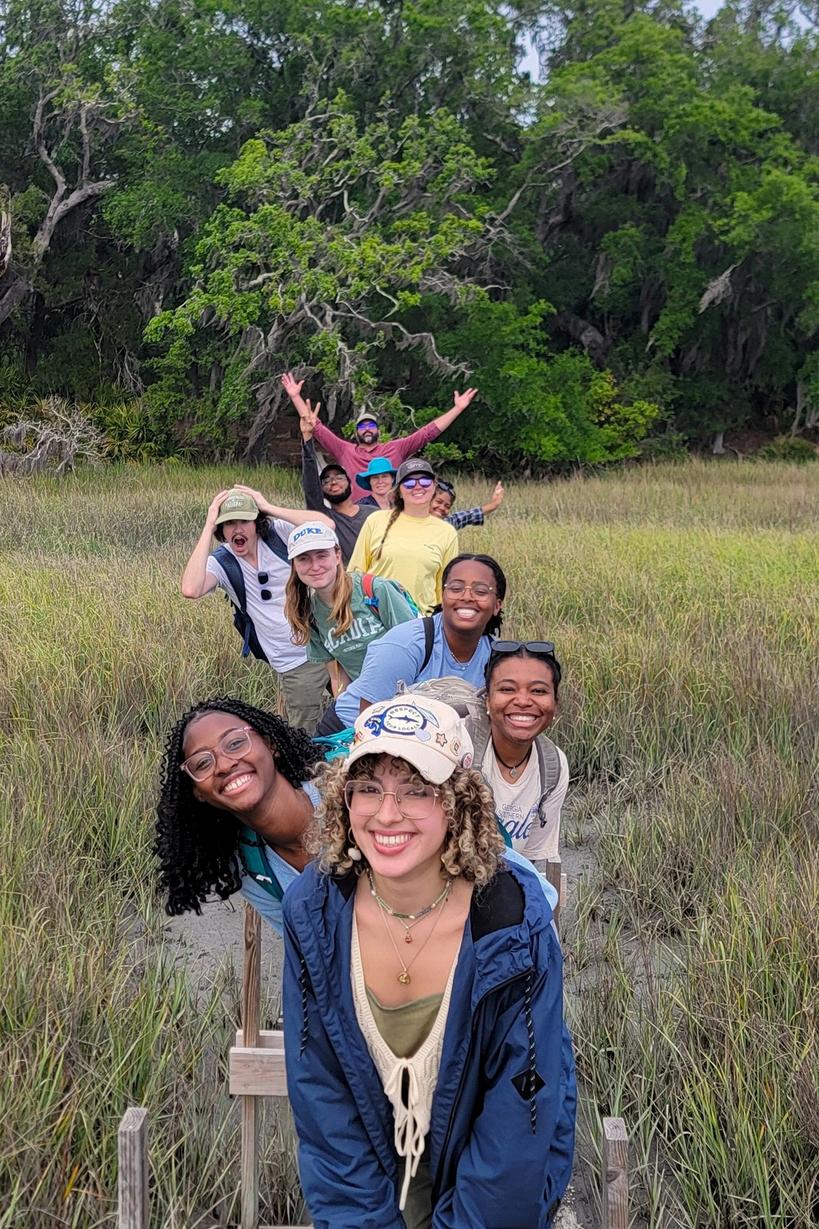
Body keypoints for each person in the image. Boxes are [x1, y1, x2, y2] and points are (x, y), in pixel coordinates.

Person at [282, 694, 577, 1229]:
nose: (386, 813)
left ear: (458, 802)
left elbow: (518, 1121)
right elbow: (322, 1100)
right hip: (373, 1193)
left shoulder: (512, 922)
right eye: (368, 788)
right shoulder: (315, 911)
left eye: (417, 790)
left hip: (487, 1201)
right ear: (344, 798)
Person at [155, 698, 322, 934]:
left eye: (234, 743)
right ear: (197, 792)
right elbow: (308, 947)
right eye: (202, 763)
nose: (223, 765)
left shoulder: (347, 797)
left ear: (270, 744)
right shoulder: (254, 871)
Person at [180, 485, 334, 733]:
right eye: (229, 523)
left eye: (245, 521)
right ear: (221, 529)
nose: (237, 529)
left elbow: (326, 526)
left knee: (356, 712)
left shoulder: (278, 535)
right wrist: (208, 525)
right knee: (305, 735)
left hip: (330, 642)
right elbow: (191, 589)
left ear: (257, 523)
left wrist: (269, 507)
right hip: (293, 660)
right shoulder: (223, 562)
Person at [317, 554, 505, 734]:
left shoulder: (497, 657)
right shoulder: (406, 644)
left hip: (424, 736)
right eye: (456, 588)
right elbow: (369, 722)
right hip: (351, 730)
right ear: (443, 596)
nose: (467, 597)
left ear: (497, 605)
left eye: (480, 591)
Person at [281, 370, 478, 501]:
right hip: (357, 515)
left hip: (391, 514)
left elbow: (428, 433)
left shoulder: (396, 448)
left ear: (378, 431)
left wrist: (457, 409)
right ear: (356, 432)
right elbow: (315, 426)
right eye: (362, 426)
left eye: (371, 425)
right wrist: (295, 396)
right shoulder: (345, 450)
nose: (367, 429)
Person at [284, 521, 419, 695]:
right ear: (294, 566)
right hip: (369, 698)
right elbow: (337, 676)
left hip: (412, 689)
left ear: (337, 555)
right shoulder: (310, 614)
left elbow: (417, 645)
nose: (315, 566)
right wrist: (344, 707)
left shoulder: (375, 589)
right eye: (303, 559)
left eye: (322, 556)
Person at [468, 641, 569, 866]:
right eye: (507, 689)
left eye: (538, 691)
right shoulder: (459, 749)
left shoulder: (553, 766)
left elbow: (527, 864)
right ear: (487, 700)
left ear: (555, 704)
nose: (523, 701)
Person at [348, 458, 457, 615]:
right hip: (377, 617)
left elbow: (444, 586)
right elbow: (355, 573)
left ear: (434, 487)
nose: (418, 486)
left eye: (425, 481)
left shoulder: (447, 532)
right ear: (399, 490)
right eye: (409, 483)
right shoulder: (376, 520)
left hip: (421, 620)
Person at [299, 405, 376, 564]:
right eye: (326, 480)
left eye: (339, 477)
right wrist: (307, 439)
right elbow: (310, 485)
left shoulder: (373, 513)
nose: (333, 482)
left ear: (351, 485)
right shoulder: (324, 517)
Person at [430, 478, 505, 530]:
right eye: (438, 502)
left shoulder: (446, 524)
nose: (442, 508)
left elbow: (468, 515)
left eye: (447, 506)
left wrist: (494, 504)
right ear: (428, 499)